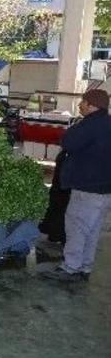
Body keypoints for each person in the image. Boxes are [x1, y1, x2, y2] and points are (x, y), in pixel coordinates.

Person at [43, 89, 111, 282]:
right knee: (92, 230)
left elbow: (68, 142)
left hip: (87, 187)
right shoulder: (108, 123)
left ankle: (70, 267)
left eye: (83, 102)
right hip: (104, 189)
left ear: (91, 105)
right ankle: (85, 266)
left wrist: (75, 127)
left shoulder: (90, 125)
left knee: (77, 227)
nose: (80, 105)